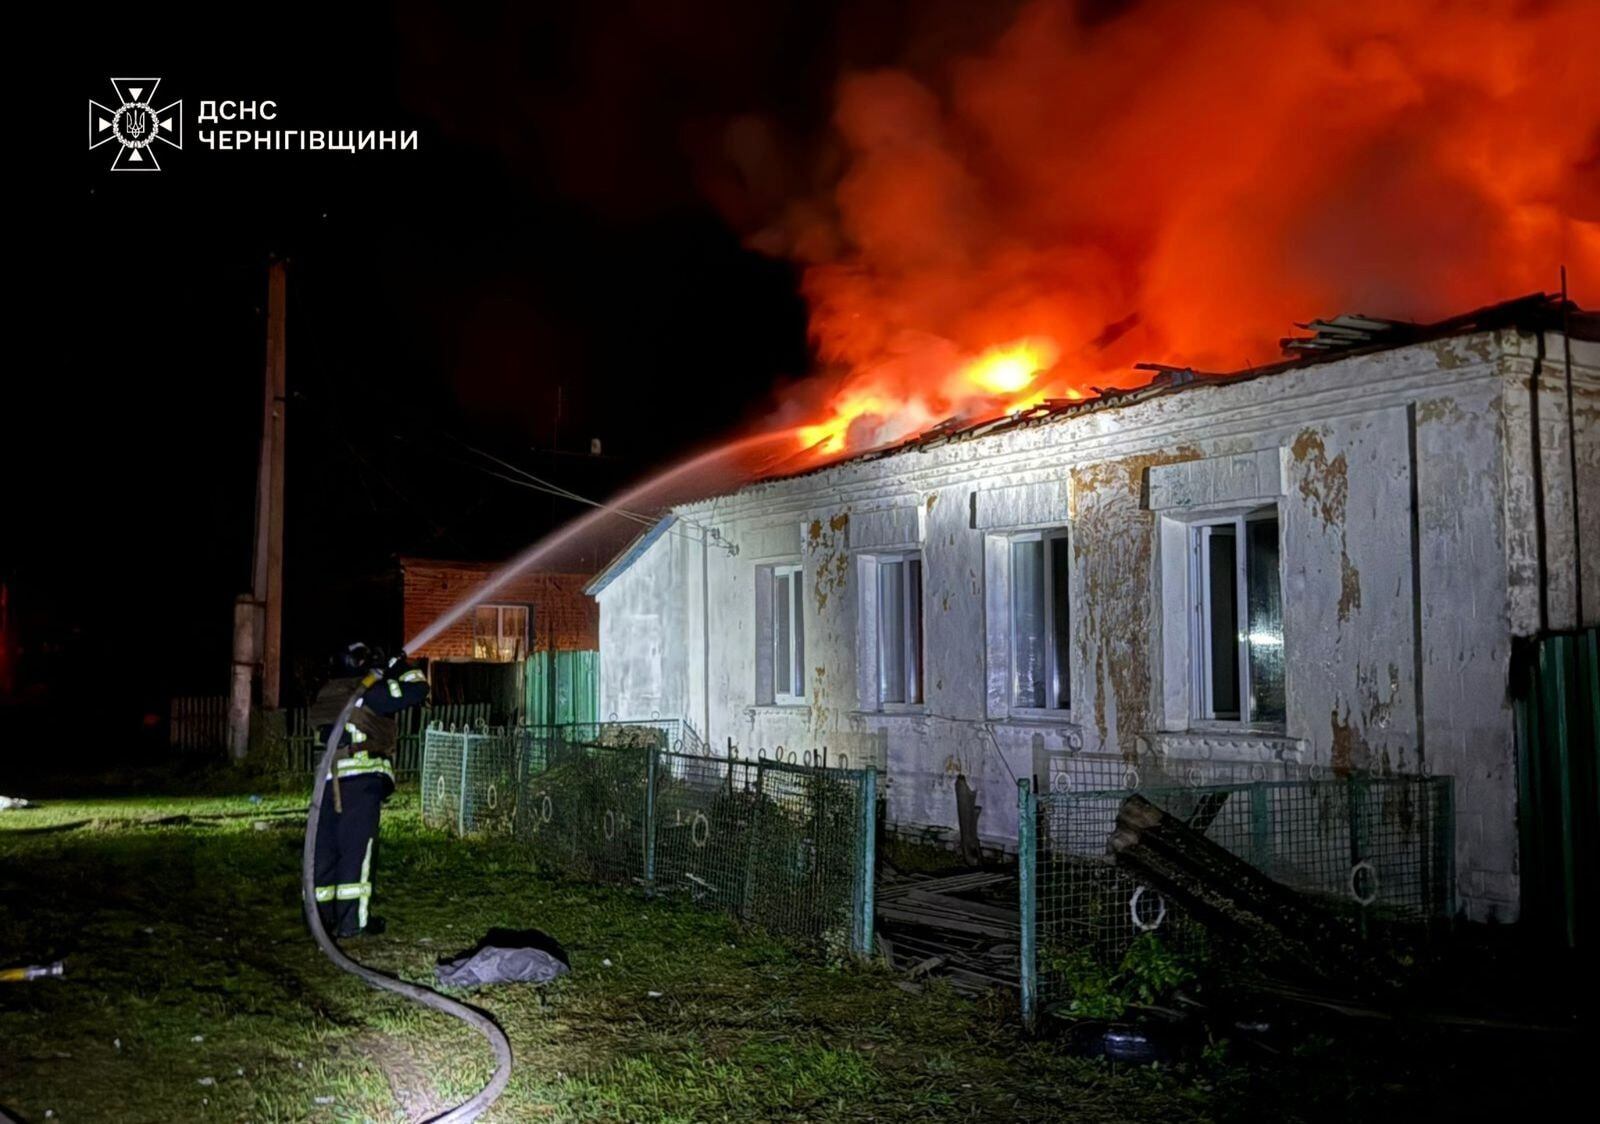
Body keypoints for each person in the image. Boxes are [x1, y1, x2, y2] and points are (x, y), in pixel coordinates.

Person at [309, 643, 428, 938]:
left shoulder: (327, 693)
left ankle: (319, 921)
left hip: (327, 784)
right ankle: (353, 923)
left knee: (324, 854)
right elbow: (417, 690)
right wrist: (399, 666)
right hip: (360, 782)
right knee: (356, 854)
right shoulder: (368, 692)